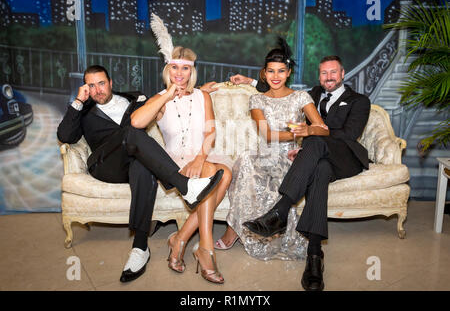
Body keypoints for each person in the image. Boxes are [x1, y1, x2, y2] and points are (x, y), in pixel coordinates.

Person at [57, 65, 224, 283]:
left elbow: (166, 99)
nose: (97, 90)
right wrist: (79, 101)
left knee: (143, 165)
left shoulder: (134, 98)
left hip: (133, 162)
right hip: (105, 165)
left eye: (101, 83)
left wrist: (199, 90)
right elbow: (65, 135)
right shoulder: (85, 111)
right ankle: (184, 185)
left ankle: (140, 247)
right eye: (91, 85)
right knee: (132, 130)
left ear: (111, 83)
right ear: (86, 88)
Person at [242, 55, 371, 291]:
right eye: (324, 73)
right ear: (319, 76)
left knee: (314, 141)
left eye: (333, 72)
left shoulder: (359, 101)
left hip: (347, 157)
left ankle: (280, 211)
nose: (328, 77)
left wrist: (310, 133)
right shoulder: (310, 94)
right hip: (321, 159)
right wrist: (248, 81)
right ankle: (314, 256)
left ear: (343, 74)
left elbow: (348, 135)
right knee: (319, 170)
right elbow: (276, 91)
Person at [215, 38, 329, 262]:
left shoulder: (301, 97)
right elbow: (267, 135)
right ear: (264, 74)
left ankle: (244, 229)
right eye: (271, 71)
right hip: (264, 154)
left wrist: (308, 131)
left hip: (291, 158)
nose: (275, 76)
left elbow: (323, 131)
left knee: (251, 162)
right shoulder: (257, 99)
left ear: (288, 73)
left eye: (281, 71)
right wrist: (301, 132)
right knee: (246, 160)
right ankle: (236, 229)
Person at [131, 44, 233, 284]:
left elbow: (210, 133)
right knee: (216, 174)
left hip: (202, 155)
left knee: (225, 172)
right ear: (167, 69)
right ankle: (206, 251)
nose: (179, 73)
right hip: (174, 161)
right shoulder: (160, 98)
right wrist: (167, 94)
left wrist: (200, 157)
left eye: (185, 68)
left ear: (192, 71)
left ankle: (180, 239)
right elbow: (136, 122)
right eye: (174, 67)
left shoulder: (203, 96)